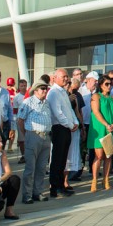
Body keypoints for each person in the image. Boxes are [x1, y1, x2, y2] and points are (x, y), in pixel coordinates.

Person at [16, 81, 52, 204]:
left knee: (41, 167)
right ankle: (27, 194)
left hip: (46, 136)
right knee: (30, 168)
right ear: (35, 90)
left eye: (46, 88)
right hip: (33, 135)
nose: (45, 90)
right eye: (42, 88)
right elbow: (20, 120)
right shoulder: (28, 102)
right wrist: (27, 134)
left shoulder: (46, 102)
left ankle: (38, 192)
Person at [47, 69, 77, 198]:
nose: (66, 79)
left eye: (66, 76)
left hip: (66, 128)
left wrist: (75, 122)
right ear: (55, 78)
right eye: (63, 76)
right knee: (57, 159)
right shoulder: (53, 92)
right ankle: (55, 187)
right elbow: (58, 113)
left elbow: (69, 110)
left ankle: (61, 185)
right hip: (59, 128)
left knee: (63, 159)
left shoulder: (63, 91)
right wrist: (70, 124)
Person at [87, 75, 113, 191]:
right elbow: (96, 112)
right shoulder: (96, 96)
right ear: (100, 85)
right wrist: (106, 124)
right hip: (100, 128)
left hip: (111, 129)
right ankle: (94, 180)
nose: (109, 86)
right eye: (106, 84)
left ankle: (106, 179)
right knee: (99, 155)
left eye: (110, 84)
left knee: (108, 156)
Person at [66, 77, 85, 182]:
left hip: (75, 126)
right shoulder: (62, 95)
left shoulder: (75, 96)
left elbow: (78, 111)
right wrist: (67, 100)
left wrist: (82, 126)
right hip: (66, 126)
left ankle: (73, 173)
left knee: (75, 151)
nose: (74, 90)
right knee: (66, 152)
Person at [13, 78, 27, 163]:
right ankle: (23, 155)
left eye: (25, 85)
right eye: (22, 86)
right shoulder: (16, 97)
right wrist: (15, 122)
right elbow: (15, 110)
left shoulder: (30, 95)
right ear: (19, 87)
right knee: (21, 139)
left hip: (29, 120)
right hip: (20, 120)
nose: (23, 87)